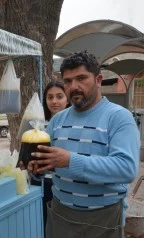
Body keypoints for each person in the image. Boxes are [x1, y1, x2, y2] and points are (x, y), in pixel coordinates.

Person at [30, 51, 139, 238]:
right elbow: (47, 163)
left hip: (102, 219)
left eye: (81, 78)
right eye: (68, 81)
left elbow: (126, 169)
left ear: (98, 80)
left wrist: (70, 161)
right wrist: (36, 169)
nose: (74, 87)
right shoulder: (58, 120)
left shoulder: (119, 117)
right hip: (60, 214)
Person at [32, 80, 70, 236]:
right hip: (41, 182)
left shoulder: (73, 124)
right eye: (50, 97)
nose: (54, 101)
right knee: (43, 223)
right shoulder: (37, 124)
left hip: (63, 185)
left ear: (67, 98)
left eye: (59, 96)